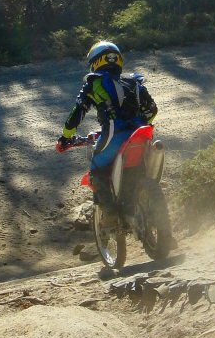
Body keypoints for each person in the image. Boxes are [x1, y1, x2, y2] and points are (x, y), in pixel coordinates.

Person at [57, 40, 158, 218]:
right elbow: (152, 110)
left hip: (114, 133)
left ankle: (111, 216)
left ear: (96, 62)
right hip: (140, 133)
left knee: (96, 171)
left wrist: (65, 138)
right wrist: (137, 122)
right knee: (145, 166)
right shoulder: (134, 81)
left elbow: (77, 114)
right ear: (117, 60)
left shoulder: (93, 82)